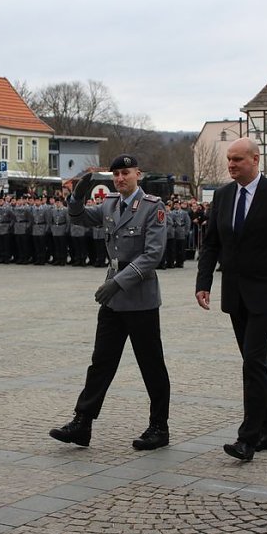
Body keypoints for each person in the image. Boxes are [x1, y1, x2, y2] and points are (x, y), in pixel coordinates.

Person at [195, 138, 267, 462]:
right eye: (229, 160)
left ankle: (248, 438)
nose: (231, 165)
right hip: (235, 291)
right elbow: (211, 244)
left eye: (238, 160)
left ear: (255, 160)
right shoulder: (223, 196)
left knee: (253, 361)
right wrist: (203, 282)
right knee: (255, 361)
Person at [49, 155, 171, 451]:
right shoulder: (110, 204)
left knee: (151, 364)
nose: (120, 178)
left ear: (138, 174)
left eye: (125, 173)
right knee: (101, 362)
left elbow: (153, 255)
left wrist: (118, 282)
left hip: (139, 297)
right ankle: (83, 422)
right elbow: (79, 219)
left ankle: (159, 427)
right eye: (116, 174)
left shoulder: (153, 207)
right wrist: (76, 198)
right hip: (113, 298)